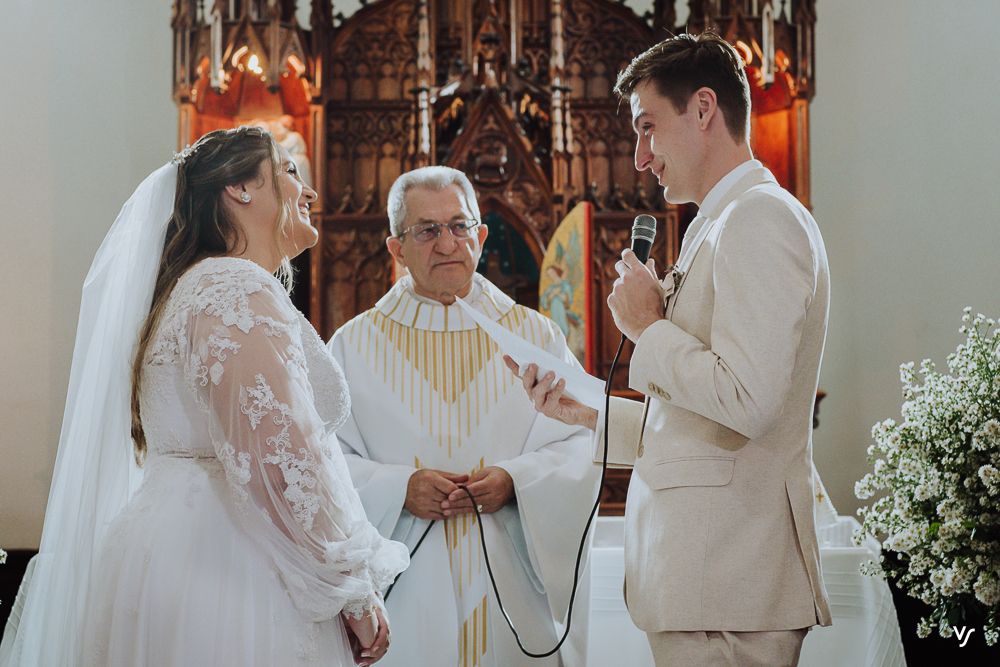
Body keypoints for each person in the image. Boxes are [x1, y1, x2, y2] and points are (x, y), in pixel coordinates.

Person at [0, 127, 408, 667]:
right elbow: (280, 456)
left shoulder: (191, 288)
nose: (309, 193)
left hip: (172, 549)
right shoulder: (232, 287)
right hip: (231, 567)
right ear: (239, 188)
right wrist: (348, 589)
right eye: (289, 172)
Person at [507, 32, 832, 666]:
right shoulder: (717, 224)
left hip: (729, 583)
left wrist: (649, 329)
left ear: (704, 109)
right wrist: (588, 410)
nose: (639, 156)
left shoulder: (758, 219)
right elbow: (699, 427)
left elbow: (749, 400)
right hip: (708, 584)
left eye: (648, 127)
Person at [326, 166, 599, 667]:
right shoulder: (352, 346)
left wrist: (516, 481)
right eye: (426, 231)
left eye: (459, 225)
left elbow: (580, 443)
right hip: (404, 590)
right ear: (396, 249)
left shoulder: (535, 337)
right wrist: (398, 488)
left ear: (482, 235)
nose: (447, 243)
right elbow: (321, 463)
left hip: (509, 586)